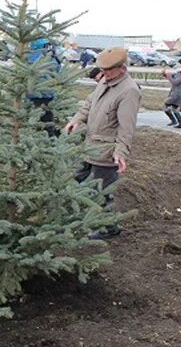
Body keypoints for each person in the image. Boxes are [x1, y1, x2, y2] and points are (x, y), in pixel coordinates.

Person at [63, 47, 141, 239]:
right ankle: (66, 211)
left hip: (106, 151)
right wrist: (76, 120)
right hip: (90, 144)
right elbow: (89, 103)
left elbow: (126, 127)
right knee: (75, 177)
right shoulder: (106, 81)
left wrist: (121, 152)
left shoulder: (129, 91)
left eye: (108, 70)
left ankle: (109, 227)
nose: (103, 73)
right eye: (102, 69)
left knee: (103, 190)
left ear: (122, 68)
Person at [162, 58, 181, 129]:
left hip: (177, 94)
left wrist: (168, 76)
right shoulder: (179, 72)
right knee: (174, 108)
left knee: (166, 106)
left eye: (179, 63)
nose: (177, 64)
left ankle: (176, 121)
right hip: (176, 93)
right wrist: (165, 74)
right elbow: (172, 76)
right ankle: (179, 123)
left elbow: (175, 82)